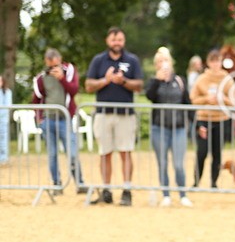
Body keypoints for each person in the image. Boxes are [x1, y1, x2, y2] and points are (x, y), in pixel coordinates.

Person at [85, 27, 144, 206]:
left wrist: (123, 81)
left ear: (123, 41)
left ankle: (126, 190)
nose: (117, 43)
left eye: (119, 39)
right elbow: (88, 85)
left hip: (125, 114)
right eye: (113, 39)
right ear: (107, 41)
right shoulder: (98, 60)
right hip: (103, 114)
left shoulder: (132, 60)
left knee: (125, 152)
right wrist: (106, 80)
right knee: (105, 153)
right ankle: (106, 190)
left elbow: (140, 85)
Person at [31, 48, 86, 194]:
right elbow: (36, 99)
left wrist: (62, 78)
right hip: (48, 121)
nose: (54, 69)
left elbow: (74, 90)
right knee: (52, 154)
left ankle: (80, 183)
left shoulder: (69, 71)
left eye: (56, 65)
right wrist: (39, 119)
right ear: (46, 62)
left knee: (72, 153)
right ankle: (57, 184)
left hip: (65, 119)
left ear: (60, 61)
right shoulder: (41, 78)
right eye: (51, 66)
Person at [145, 47, 193, 207]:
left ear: (170, 63)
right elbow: (150, 97)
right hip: (160, 128)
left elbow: (188, 103)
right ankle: (166, 194)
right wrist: (158, 81)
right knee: (163, 162)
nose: (163, 64)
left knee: (179, 163)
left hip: (178, 128)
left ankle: (182, 194)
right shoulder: (154, 82)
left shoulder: (180, 81)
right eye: (159, 61)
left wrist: (196, 124)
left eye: (165, 60)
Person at [189, 48, 235, 190]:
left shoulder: (227, 79)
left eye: (218, 61)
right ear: (208, 63)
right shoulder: (201, 79)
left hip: (221, 120)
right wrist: (206, 99)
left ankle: (214, 182)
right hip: (204, 119)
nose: (216, 64)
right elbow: (193, 98)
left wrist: (223, 99)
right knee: (202, 152)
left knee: (217, 153)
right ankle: (196, 181)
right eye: (213, 61)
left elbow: (234, 101)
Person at [0, 74, 10, 165]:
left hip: (3, 120)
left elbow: (7, 106)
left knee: (3, 139)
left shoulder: (6, 92)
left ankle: (3, 158)